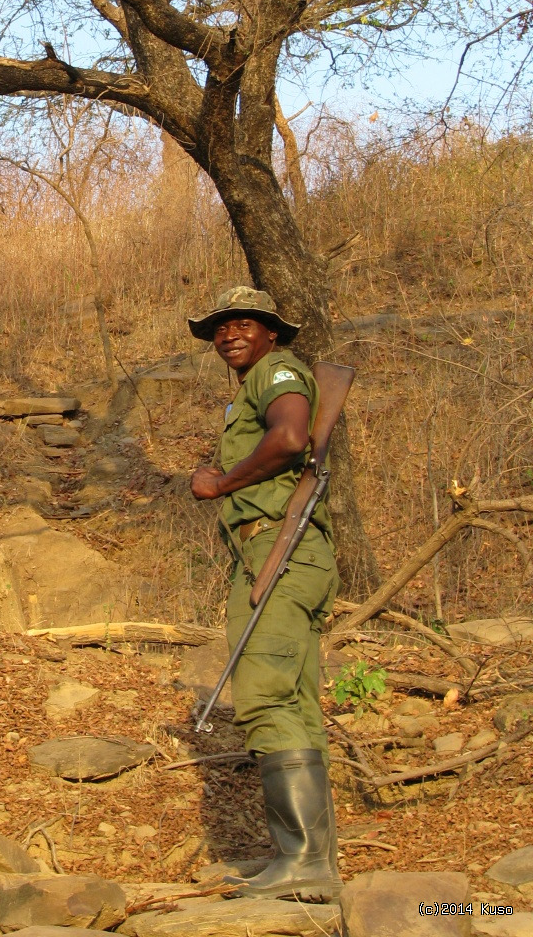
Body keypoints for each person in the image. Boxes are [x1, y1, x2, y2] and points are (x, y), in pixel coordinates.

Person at [188, 284, 341, 903]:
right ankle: (304, 856)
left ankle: (302, 857)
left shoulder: (276, 371)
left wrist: (222, 482)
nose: (229, 334)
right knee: (296, 700)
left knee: (266, 695)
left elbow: (289, 439)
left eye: (243, 323)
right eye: (220, 327)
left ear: (272, 333)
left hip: (279, 548)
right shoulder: (253, 384)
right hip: (280, 552)